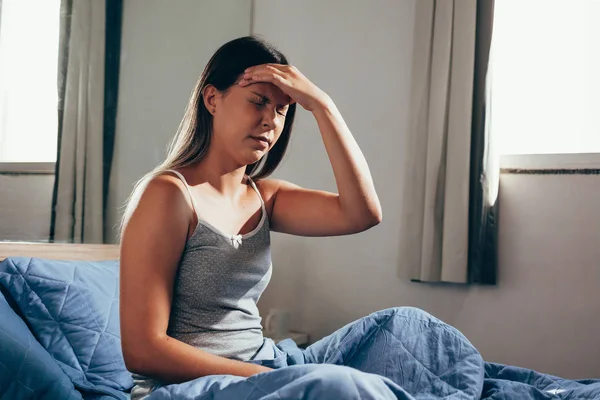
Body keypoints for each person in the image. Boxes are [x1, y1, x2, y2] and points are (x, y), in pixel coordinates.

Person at [119, 36, 477, 400]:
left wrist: (322, 106)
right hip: (199, 388)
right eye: (258, 102)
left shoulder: (265, 196)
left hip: (272, 364)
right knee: (338, 385)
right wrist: (265, 377)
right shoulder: (168, 195)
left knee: (409, 328)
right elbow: (143, 350)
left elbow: (362, 213)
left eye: (281, 110)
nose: (269, 121)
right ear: (212, 99)